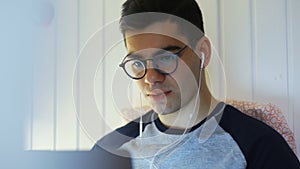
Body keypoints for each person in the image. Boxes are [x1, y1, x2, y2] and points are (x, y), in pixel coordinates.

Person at [91, 0, 300, 168]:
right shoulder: (109, 151)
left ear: (203, 53)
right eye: (137, 62)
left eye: (165, 57)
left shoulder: (259, 146)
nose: (150, 77)